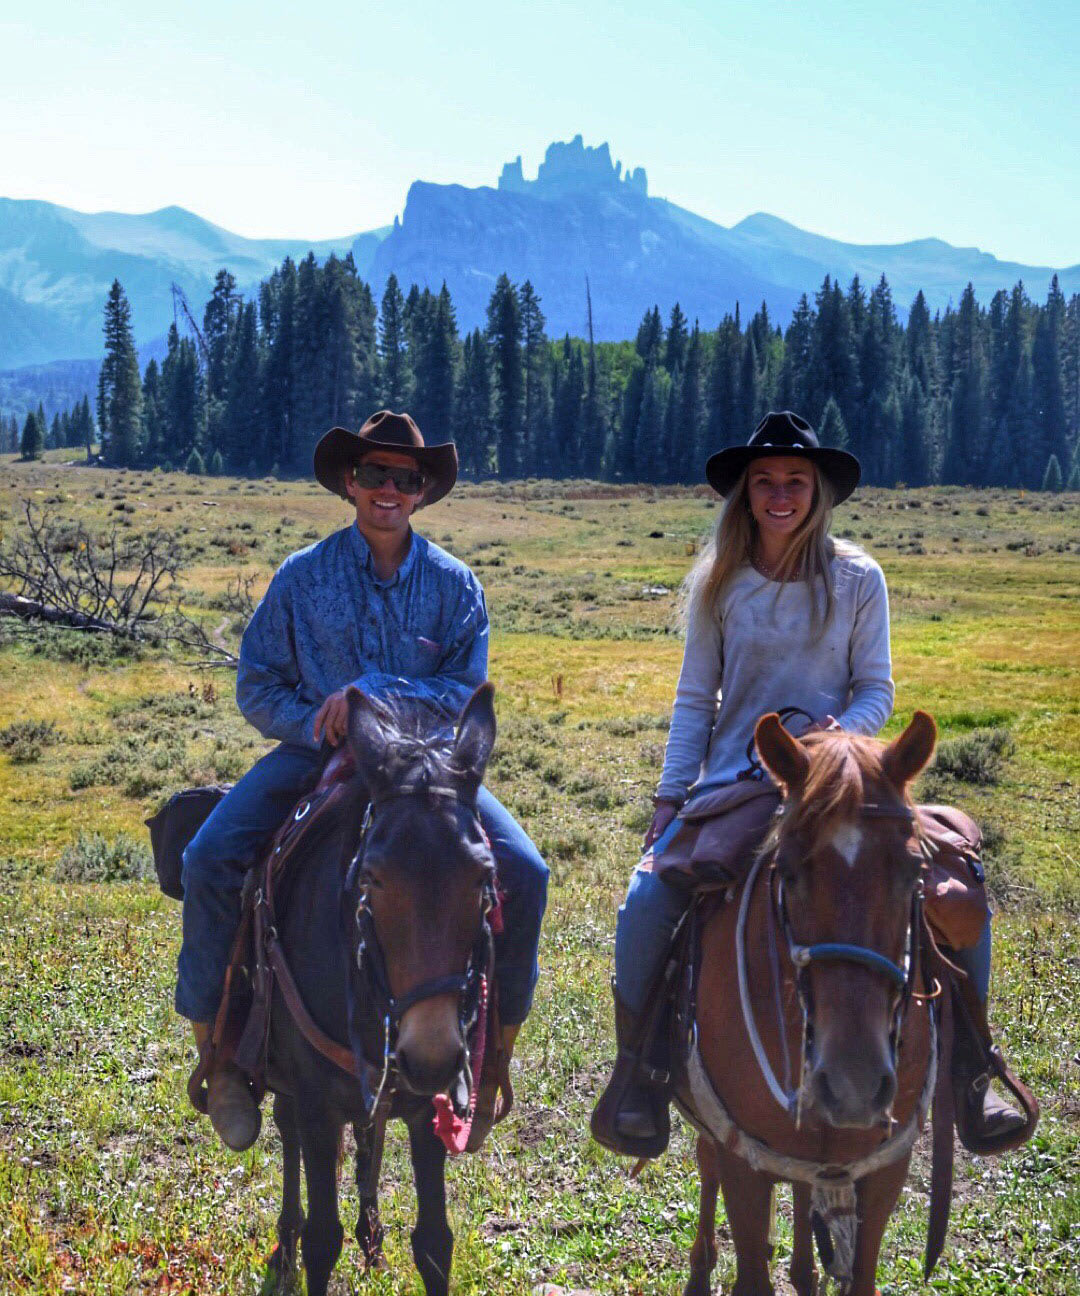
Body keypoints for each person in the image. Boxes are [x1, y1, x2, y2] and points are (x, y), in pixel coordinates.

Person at [593, 409, 1024, 1156]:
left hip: (840, 774)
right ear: (747, 495)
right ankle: (639, 1072)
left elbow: (876, 688)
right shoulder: (720, 586)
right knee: (646, 902)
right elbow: (696, 699)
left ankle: (971, 1066)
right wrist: (669, 800)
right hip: (739, 774)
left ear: (817, 492)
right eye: (766, 482)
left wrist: (832, 742)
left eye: (795, 481)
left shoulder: (858, 578)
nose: (781, 494)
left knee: (957, 887)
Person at [176, 410, 549, 1152]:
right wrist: (317, 718)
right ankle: (218, 1053)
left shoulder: (455, 585)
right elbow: (256, 685)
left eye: (403, 479)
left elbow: (465, 688)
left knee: (526, 872)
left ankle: (492, 1056)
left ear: (420, 493)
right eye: (375, 474)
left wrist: (370, 694)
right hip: (318, 758)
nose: (388, 489)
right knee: (208, 859)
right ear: (351, 483)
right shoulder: (301, 577)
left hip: (425, 771)